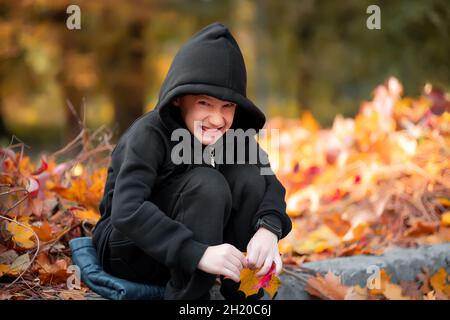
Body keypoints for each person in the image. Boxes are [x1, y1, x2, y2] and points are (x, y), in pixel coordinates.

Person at [92, 22, 292, 300]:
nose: (217, 119)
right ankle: (189, 300)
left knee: (250, 174)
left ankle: (244, 295)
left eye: (228, 107)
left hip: (196, 250)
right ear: (178, 100)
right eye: (204, 104)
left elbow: (271, 185)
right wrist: (197, 252)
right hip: (130, 249)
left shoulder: (231, 136)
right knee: (206, 183)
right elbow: (127, 210)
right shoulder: (149, 134)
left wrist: (269, 228)